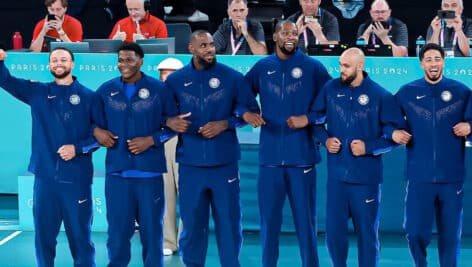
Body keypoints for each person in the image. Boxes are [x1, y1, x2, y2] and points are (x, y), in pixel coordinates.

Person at [165, 30, 259, 267]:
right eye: (203, 45)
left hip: (224, 163)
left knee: (228, 222)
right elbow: (163, 116)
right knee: (192, 222)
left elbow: (250, 111)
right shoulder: (175, 81)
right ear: (191, 49)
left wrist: (225, 124)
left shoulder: (233, 78)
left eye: (211, 45)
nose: (209, 49)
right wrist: (170, 122)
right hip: (190, 163)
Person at [243, 20, 331, 267]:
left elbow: (331, 105)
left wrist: (310, 119)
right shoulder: (262, 67)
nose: (290, 37)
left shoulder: (314, 68)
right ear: (275, 36)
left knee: (306, 223)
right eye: (285, 33)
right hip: (270, 159)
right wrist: (248, 112)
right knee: (269, 224)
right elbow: (241, 95)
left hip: (302, 159)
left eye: (294, 33)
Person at [0, 47, 96, 266]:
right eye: (54, 60)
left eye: (63, 59)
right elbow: (5, 80)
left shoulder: (90, 97)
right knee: (43, 239)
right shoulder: (37, 92)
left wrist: (78, 148)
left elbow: (101, 135)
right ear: (49, 66)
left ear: (72, 64)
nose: (58, 63)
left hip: (76, 180)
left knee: (81, 239)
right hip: (44, 179)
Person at [311, 47, 400, 267]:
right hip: (337, 179)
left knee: (367, 236)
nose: (341, 70)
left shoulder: (381, 96)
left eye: (346, 66)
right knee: (333, 235)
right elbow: (314, 121)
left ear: (360, 66)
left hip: (366, 180)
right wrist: (325, 139)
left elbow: (395, 136)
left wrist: (369, 148)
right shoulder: (330, 89)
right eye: (340, 65)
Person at [93, 42, 176, 267]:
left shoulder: (160, 90)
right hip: (117, 176)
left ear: (141, 61)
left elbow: (174, 124)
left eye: (129, 60)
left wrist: (151, 140)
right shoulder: (105, 90)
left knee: (151, 235)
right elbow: (91, 121)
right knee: (118, 236)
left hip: (149, 176)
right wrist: (96, 131)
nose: (124, 64)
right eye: (120, 60)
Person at [392, 43, 472, 267]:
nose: (433, 63)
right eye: (428, 59)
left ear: (444, 61)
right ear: (421, 64)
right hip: (419, 177)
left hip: (451, 177)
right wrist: (394, 131)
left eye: (437, 59)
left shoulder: (462, 92)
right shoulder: (407, 92)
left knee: (450, 237)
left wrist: (470, 127)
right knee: (415, 231)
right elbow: (387, 120)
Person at [156, 57, 184, 256]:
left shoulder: (189, 95)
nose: (166, 77)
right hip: (163, 145)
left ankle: (185, 239)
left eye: (171, 73)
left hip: (186, 145)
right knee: (166, 195)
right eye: (163, 73)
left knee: (188, 195)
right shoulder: (155, 95)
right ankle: (168, 241)